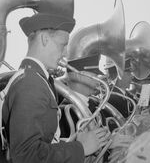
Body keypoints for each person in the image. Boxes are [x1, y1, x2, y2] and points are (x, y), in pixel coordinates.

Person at [2, 12, 110, 163]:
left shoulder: (36, 79)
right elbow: (26, 155)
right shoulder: (30, 83)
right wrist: (80, 148)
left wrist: (73, 143)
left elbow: (46, 143)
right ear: (45, 39)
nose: (65, 53)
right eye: (63, 44)